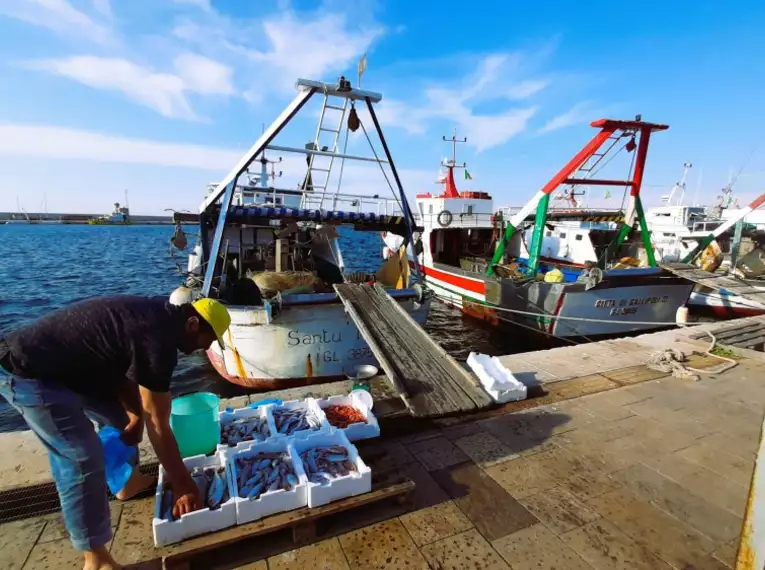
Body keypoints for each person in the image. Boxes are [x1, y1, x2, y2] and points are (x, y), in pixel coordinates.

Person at [0, 296, 231, 570]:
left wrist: (134, 416)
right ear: (193, 324)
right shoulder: (159, 339)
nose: (206, 347)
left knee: (119, 419)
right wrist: (182, 483)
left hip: (75, 368)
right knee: (80, 457)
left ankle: (125, 481)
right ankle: (96, 560)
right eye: (208, 338)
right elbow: (158, 422)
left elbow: (119, 360)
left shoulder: (160, 316)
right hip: (27, 370)